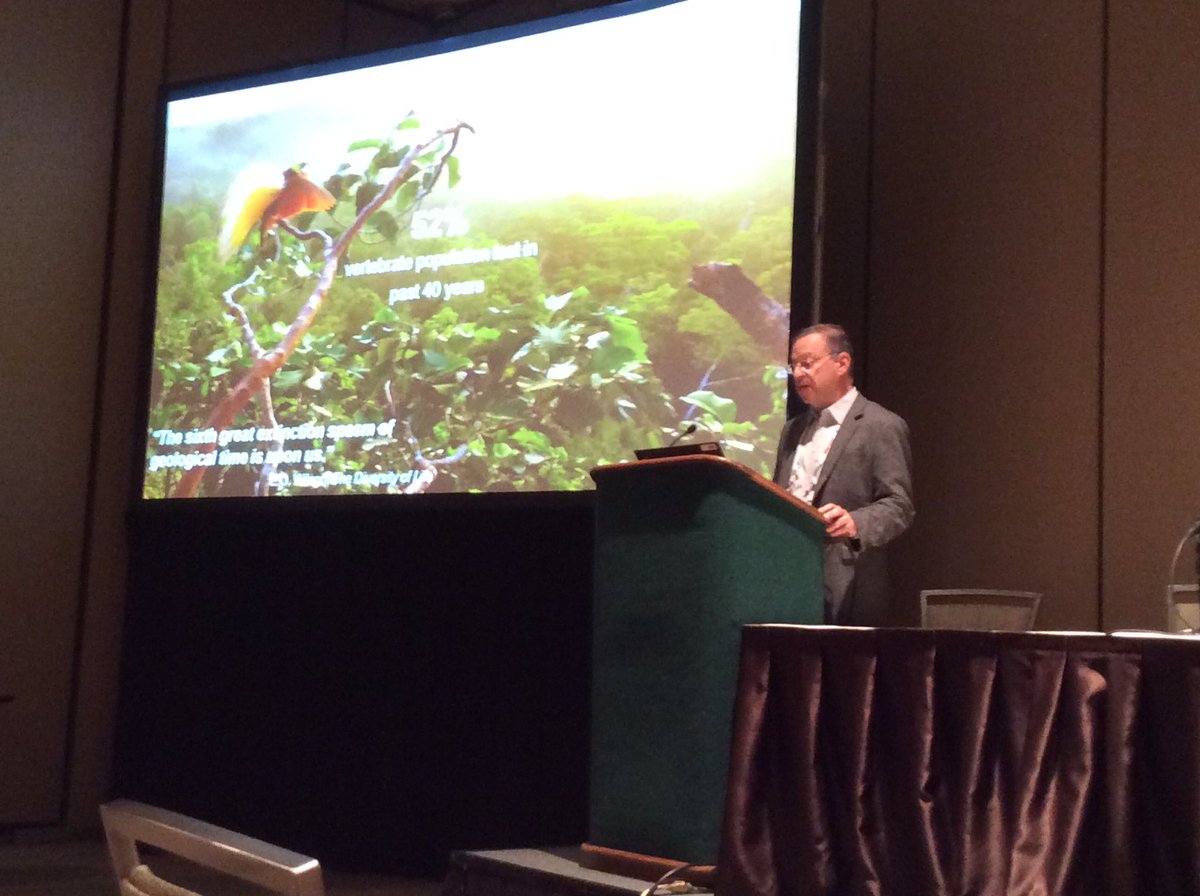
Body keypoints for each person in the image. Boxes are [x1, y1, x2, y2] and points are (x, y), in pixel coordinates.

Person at [773, 323, 914, 625]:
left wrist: (855, 522)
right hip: (788, 577)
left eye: (807, 363)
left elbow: (899, 506)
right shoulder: (792, 429)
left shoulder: (880, 425)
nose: (798, 374)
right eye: (794, 366)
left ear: (842, 363)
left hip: (846, 584)